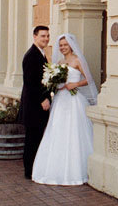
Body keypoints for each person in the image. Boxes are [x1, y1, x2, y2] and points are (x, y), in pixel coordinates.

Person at [32, 33, 97, 186]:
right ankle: (55, 169)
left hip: (74, 100)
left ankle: (76, 170)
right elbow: (55, 81)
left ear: (71, 45)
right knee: (57, 131)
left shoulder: (77, 60)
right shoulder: (60, 62)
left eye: (65, 45)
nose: (62, 47)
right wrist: (56, 84)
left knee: (74, 132)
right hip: (61, 100)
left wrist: (75, 85)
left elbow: (89, 79)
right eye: (60, 45)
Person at [20, 25, 52, 179]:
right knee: (32, 139)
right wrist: (43, 99)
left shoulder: (41, 54)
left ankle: (34, 169)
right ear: (34, 36)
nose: (45, 39)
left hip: (37, 105)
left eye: (47, 36)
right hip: (34, 106)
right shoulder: (32, 55)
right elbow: (30, 82)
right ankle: (29, 171)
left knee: (36, 137)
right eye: (42, 36)